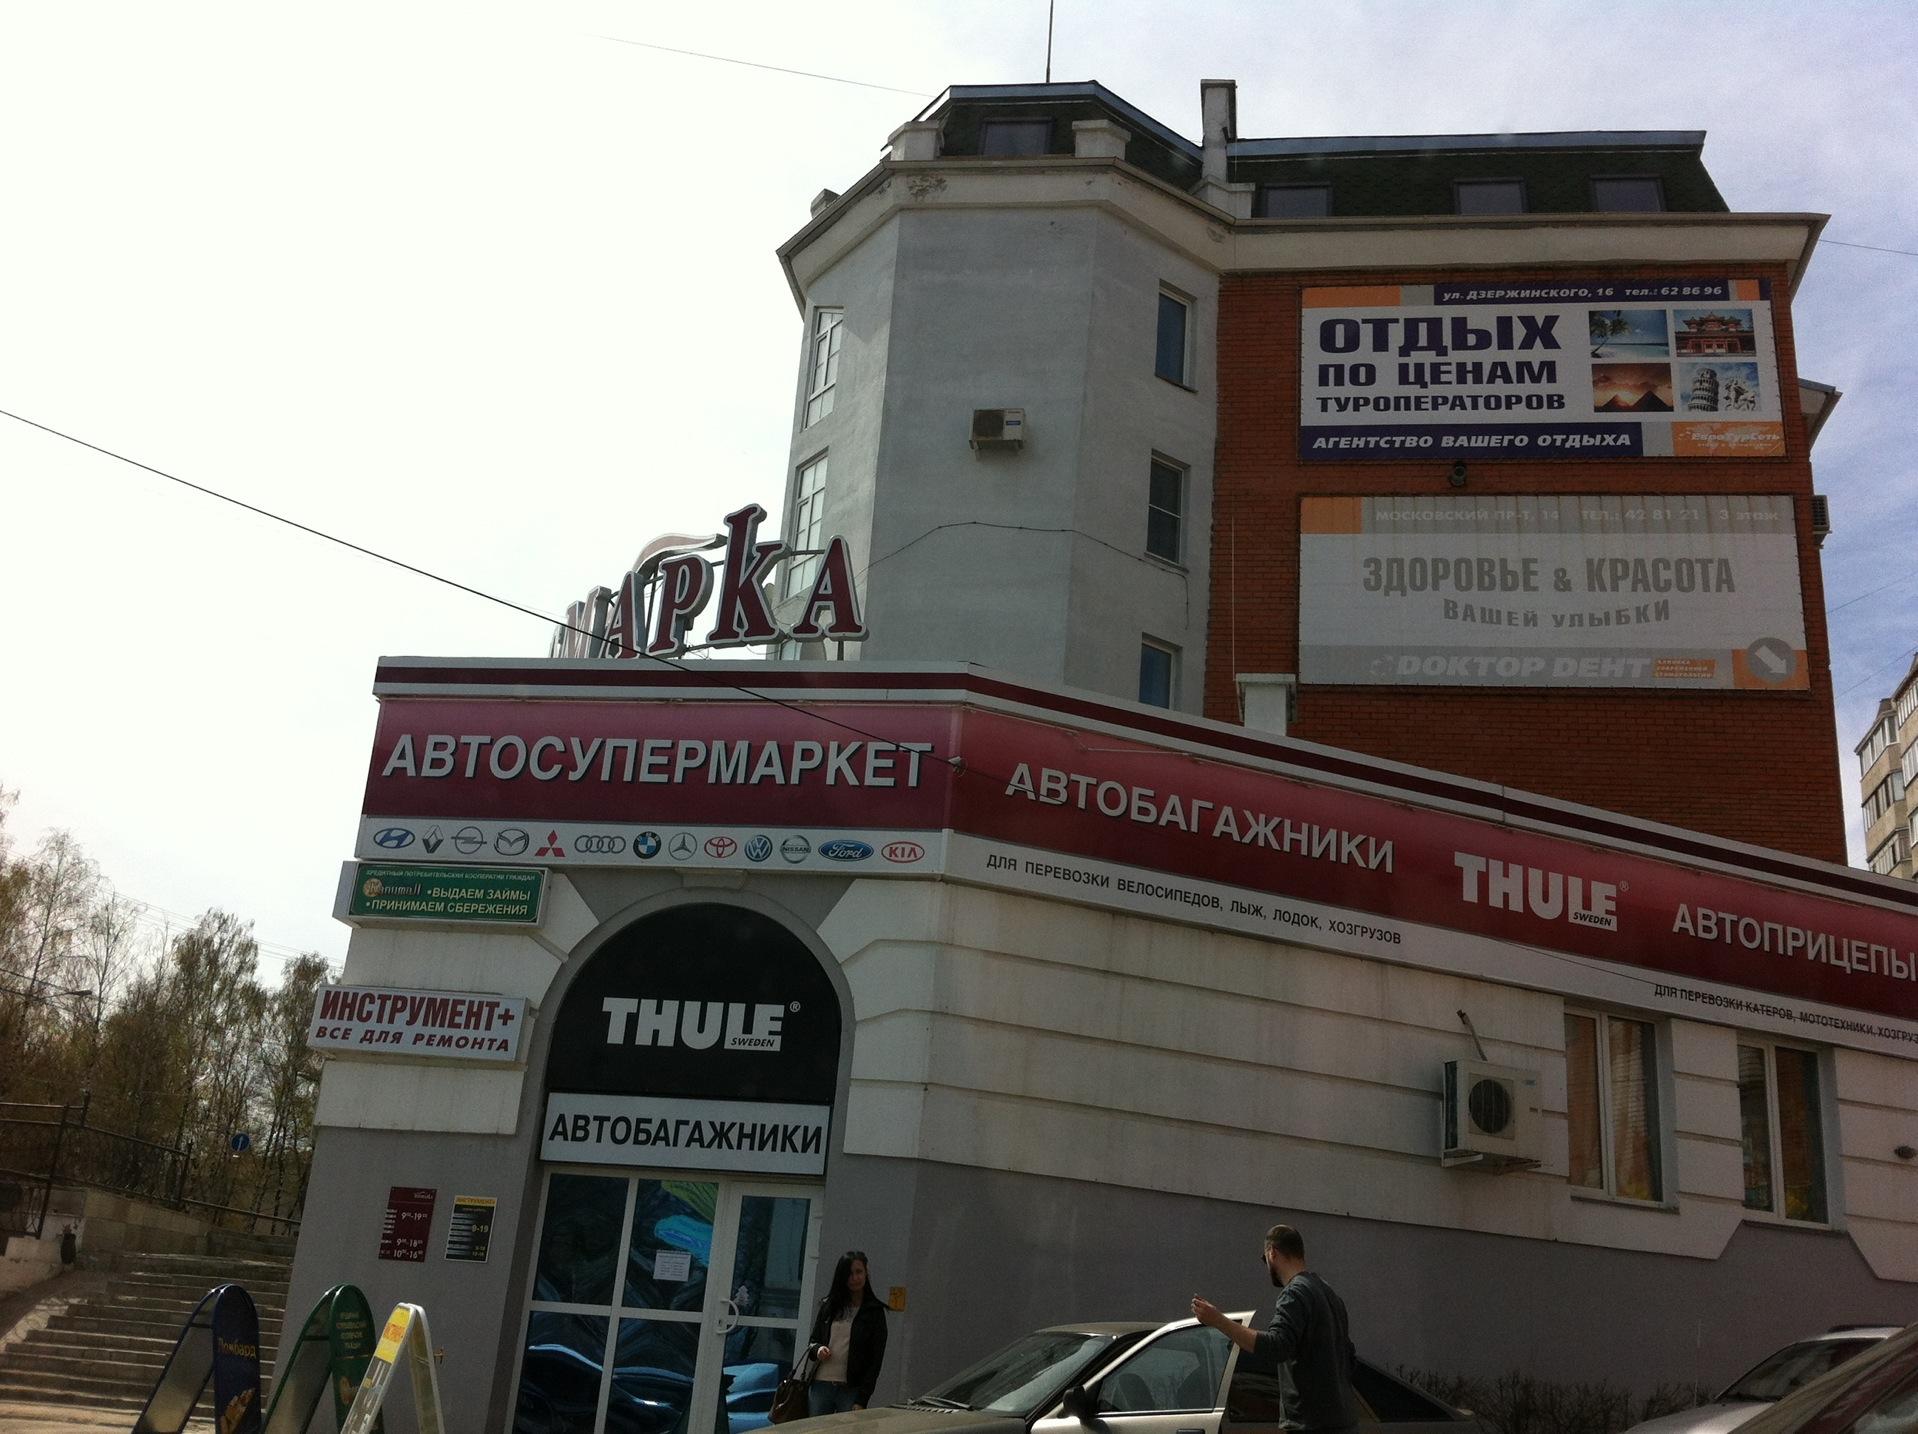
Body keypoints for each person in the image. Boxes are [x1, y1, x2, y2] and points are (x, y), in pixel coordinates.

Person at [1191, 1224, 1358, 1434]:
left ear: (1272, 1253)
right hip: (1344, 1423)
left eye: (1265, 1259)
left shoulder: (1294, 1293)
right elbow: (1349, 1358)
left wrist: (1218, 1320)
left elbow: (1275, 1346)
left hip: (1311, 1425)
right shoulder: (1330, 1295)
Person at [806, 1249, 888, 1415]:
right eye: (849, 1274)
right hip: (821, 1384)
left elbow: (875, 1361)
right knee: (816, 1427)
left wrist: (862, 1398)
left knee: (849, 1427)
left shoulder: (874, 1312)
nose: (854, 1278)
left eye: (859, 1272)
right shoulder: (829, 1305)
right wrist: (818, 1349)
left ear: (866, 1273)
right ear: (841, 1277)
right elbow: (813, 1342)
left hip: (851, 1388)